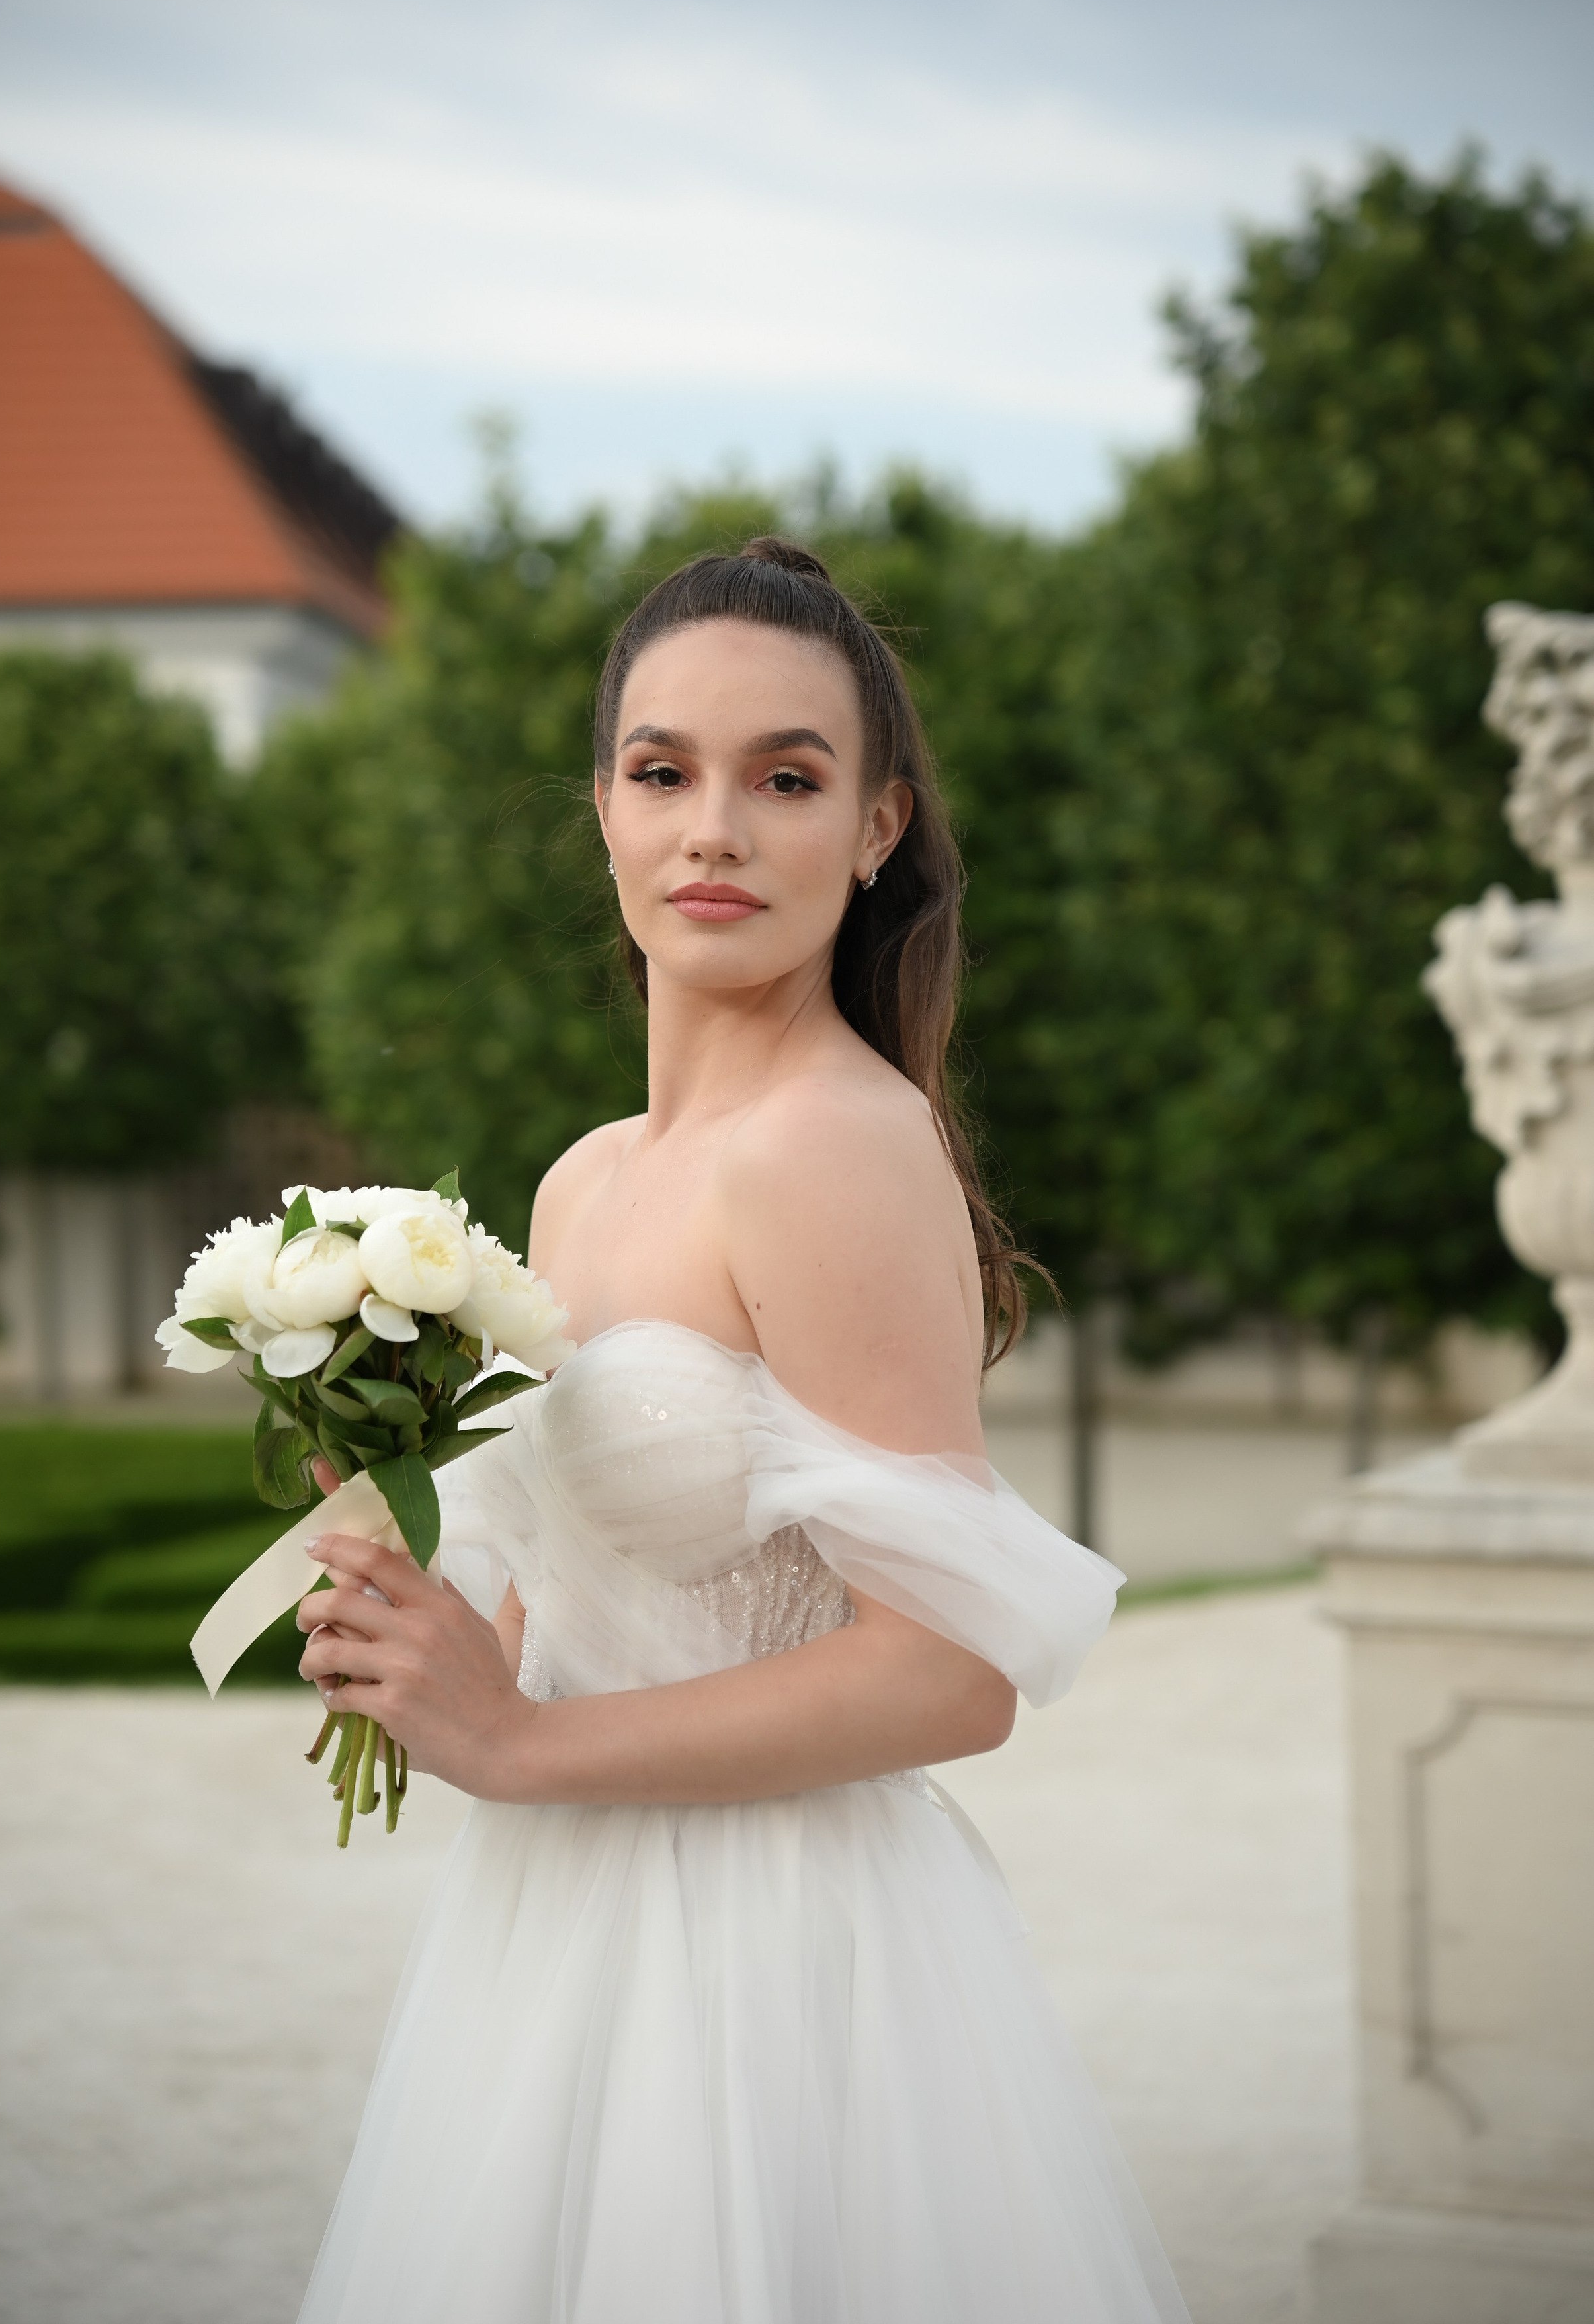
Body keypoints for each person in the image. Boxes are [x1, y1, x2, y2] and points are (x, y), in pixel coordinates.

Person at [292, 538, 1191, 2322]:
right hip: (559, 1932)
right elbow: (579, 1605)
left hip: (770, 1956)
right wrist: (428, 1620)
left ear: (875, 829)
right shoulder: (584, 1181)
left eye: (786, 778)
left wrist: (516, 1748)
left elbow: (952, 1672)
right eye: (662, 772)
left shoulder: (832, 1150)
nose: (714, 829)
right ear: (607, 816)